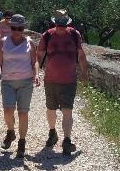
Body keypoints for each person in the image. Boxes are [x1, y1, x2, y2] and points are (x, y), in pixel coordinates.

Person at [36, 9, 89, 155]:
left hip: (69, 80)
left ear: (67, 24)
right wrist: (36, 73)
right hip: (50, 79)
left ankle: (67, 140)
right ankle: (52, 132)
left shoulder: (74, 34)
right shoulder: (47, 36)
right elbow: (39, 55)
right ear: (55, 23)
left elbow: (81, 55)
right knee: (51, 109)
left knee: (67, 111)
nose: (61, 27)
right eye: (59, 24)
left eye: (63, 24)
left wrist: (85, 73)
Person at [0, 14, 39, 158]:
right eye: (14, 28)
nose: (17, 31)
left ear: (23, 29)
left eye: (20, 28)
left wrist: (36, 75)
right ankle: (11, 131)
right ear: (10, 28)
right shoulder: (3, 42)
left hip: (26, 82)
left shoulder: (30, 43)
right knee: (7, 111)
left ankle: (22, 143)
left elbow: (34, 61)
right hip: (8, 82)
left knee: (23, 112)